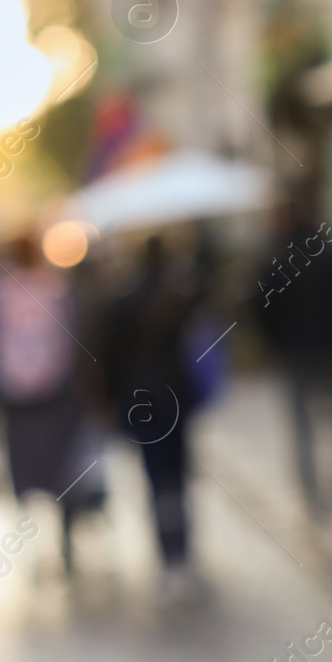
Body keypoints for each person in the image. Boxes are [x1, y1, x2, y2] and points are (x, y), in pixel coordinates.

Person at [253, 195, 332, 524]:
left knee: (303, 429)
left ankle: (314, 503)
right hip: (329, 349)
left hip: (295, 355)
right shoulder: (330, 252)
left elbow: (259, 307)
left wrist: (277, 341)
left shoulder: (276, 256)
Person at [0, 234, 84, 568]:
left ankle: (29, 530)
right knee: (58, 461)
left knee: (23, 461)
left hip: (13, 392)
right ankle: (62, 530)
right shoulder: (54, 288)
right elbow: (73, 337)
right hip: (53, 390)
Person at [105, 235, 200, 580]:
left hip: (143, 401)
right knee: (175, 477)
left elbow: (112, 358)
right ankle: (181, 552)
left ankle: (170, 554)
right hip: (174, 398)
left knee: (157, 478)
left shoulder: (126, 301)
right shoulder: (178, 299)